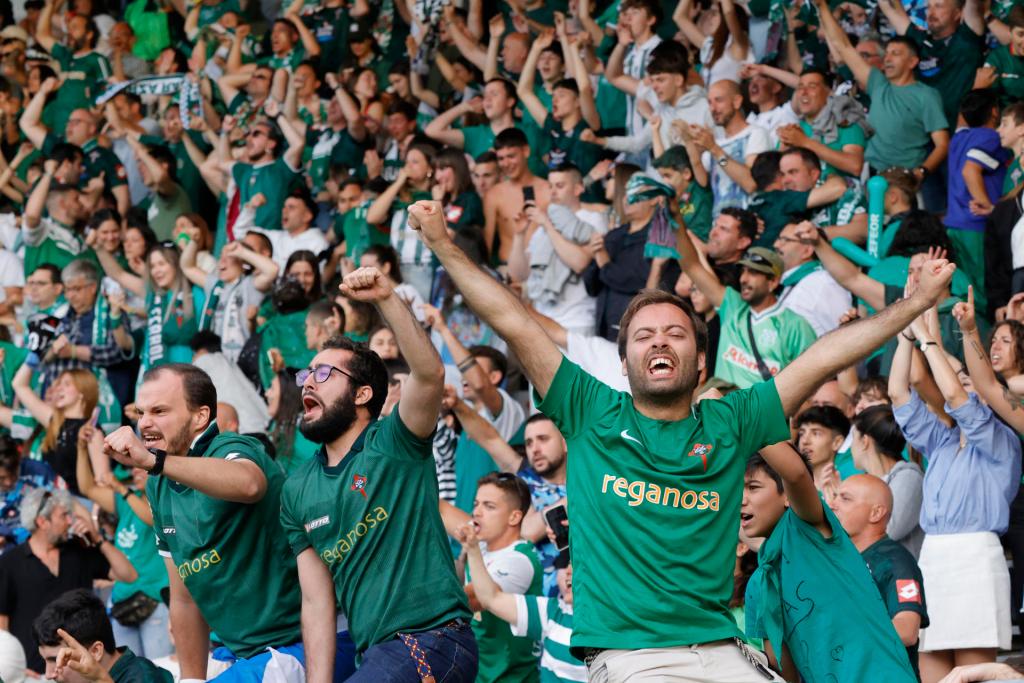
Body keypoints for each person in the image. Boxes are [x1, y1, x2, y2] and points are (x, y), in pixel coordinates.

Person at [407, 198, 955, 680]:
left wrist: (914, 304)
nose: (659, 341)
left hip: (722, 649)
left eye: (676, 333)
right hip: (631, 657)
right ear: (624, 362)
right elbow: (513, 319)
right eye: (643, 335)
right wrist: (442, 245)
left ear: (699, 363)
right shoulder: (588, 407)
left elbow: (821, 359)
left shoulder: (731, 421)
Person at [279, 266, 476, 681]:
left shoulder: (394, 441)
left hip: (433, 639)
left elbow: (430, 375)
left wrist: (387, 298)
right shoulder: (297, 490)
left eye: (324, 373)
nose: (307, 383)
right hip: (377, 654)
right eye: (305, 374)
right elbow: (316, 604)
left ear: (363, 394)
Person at [101, 364, 356, 681]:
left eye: (159, 411)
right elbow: (184, 598)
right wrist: (191, 679)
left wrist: (154, 461)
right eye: (141, 412)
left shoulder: (232, 447)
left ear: (199, 417)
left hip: (307, 643)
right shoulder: (158, 483)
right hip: (243, 653)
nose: (144, 424)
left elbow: (249, 484)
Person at [890, 302, 1021, 682]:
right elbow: (899, 392)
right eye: (956, 380)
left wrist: (929, 337)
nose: (958, 386)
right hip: (933, 556)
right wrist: (904, 335)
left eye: (966, 381)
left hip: (975, 557)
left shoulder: (1002, 440)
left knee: (971, 673)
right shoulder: (941, 441)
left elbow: (957, 397)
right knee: (930, 670)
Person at [741, 448, 918, 681]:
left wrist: (751, 421)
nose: (741, 499)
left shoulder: (808, 530)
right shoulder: (758, 582)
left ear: (787, 496)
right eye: (737, 489)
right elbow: (780, 666)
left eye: (753, 488)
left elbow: (796, 474)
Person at [0, 488, 137, 675]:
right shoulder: (9, 563)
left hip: (85, 668)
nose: (69, 522)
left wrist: (97, 539)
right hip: (37, 673)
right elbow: (2, 623)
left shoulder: (78, 549)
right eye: (63, 516)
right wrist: (16, 667)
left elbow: (128, 574)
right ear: (42, 522)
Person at [442, 473, 543, 683]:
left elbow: (470, 601)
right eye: (476, 503)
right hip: (478, 674)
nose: (476, 512)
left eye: (489, 506)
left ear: (514, 517)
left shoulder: (519, 560)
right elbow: (440, 508)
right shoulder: (481, 541)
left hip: (510, 679)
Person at [677, 238, 817, 389]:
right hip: (719, 408)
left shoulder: (796, 326)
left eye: (753, 272)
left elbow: (811, 381)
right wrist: (676, 223)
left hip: (761, 412)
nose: (743, 279)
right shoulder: (732, 305)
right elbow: (691, 266)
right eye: (743, 271)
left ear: (773, 282)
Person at [831, 474, 929, 678]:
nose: (832, 504)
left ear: (876, 513)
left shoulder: (897, 561)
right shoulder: (839, 560)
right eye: (834, 497)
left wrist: (845, 631)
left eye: (845, 498)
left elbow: (907, 630)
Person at [462, 539, 583, 683]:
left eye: (577, 565)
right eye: (569, 563)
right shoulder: (552, 612)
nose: (568, 571)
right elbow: (491, 598)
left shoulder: (613, 625)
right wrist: (473, 550)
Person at [32, 588, 172, 682]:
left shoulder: (144, 677)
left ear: (95, 651)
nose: (49, 674)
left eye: (58, 659)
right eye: (45, 660)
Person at [849, 405, 925, 558]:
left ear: (864, 441)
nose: (851, 446)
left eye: (853, 438)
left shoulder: (908, 476)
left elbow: (888, 530)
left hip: (900, 577)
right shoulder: (864, 482)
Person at [773, 222, 852, 336]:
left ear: (807, 250)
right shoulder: (792, 282)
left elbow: (845, 335)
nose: (776, 244)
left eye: (785, 240)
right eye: (779, 238)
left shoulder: (823, 283)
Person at [794, 405, 850, 500]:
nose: (805, 441)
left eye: (816, 433)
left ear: (837, 442)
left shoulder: (849, 483)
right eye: (802, 433)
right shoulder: (791, 484)